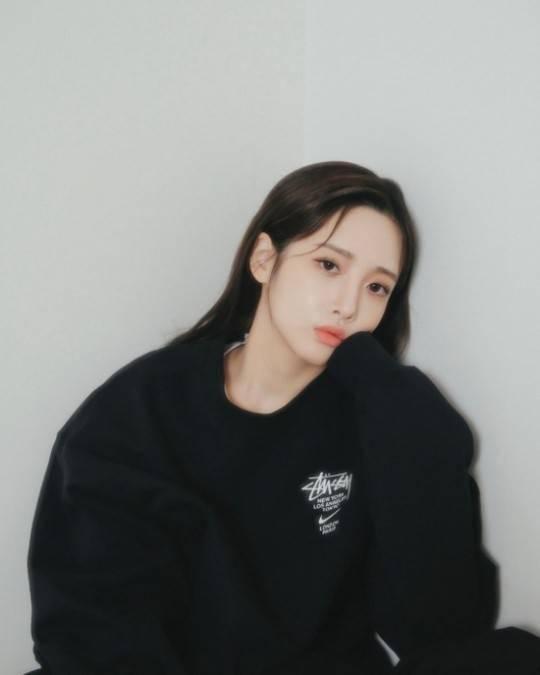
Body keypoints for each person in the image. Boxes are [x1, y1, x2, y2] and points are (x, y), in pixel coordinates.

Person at [25, 161, 540, 674]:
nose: (349, 305)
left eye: (377, 287)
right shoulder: (143, 408)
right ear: (265, 259)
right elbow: (92, 627)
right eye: (329, 265)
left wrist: (390, 392)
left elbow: (439, 630)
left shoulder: (381, 417)